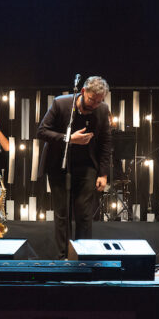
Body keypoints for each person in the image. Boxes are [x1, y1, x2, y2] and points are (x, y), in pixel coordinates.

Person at [37, 76, 113, 259]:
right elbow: (42, 131)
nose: (94, 104)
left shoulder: (102, 110)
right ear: (83, 92)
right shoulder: (61, 104)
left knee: (84, 214)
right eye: (92, 100)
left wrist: (103, 174)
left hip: (87, 167)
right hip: (58, 166)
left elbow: (105, 143)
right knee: (62, 214)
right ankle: (62, 258)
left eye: (99, 101)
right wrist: (68, 139)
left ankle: (83, 257)